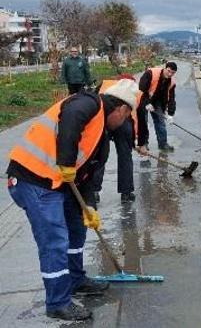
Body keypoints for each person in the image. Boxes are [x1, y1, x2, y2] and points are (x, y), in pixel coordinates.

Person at [6, 79, 139, 321]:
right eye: (128, 116)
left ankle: (76, 279)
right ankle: (58, 302)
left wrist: (88, 206)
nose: (125, 122)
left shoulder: (101, 137)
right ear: (121, 109)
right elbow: (70, 119)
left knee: (77, 226)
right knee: (54, 239)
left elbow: (90, 177)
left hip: (58, 183)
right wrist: (67, 163)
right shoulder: (89, 103)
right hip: (33, 178)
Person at [99, 75, 146, 202]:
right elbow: (141, 119)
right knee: (125, 156)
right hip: (124, 122)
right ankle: (126, 193)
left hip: (105, 118)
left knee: (98, 155)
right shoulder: (138, 94)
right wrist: (141, 143)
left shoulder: (105, 85)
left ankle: (92, 192)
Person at [137, 62, 177, 152]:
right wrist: (147, 103)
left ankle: (163, 144)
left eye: (173, 73)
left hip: (157, 101)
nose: (170, 74)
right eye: (169, 71)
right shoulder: (150, 73)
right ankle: (144, 144)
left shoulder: (172, 82)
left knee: (160, 121)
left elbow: (171, 98)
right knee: (143, 121)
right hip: (144, 99)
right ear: (165, 68)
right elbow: (141, 88)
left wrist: (171, 114)